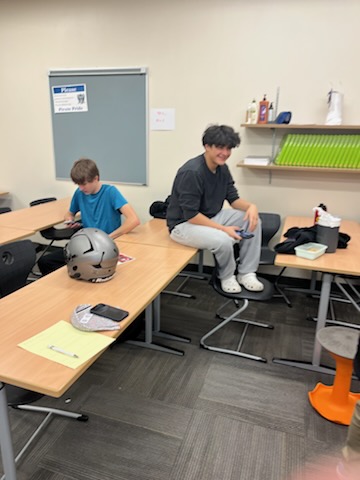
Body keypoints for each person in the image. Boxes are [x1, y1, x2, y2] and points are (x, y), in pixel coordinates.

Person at [166, 124, 263, 294]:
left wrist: (251, 206)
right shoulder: (192, 172)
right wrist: (223, 229)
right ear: (207, 146)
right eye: (219, 147)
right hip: (183, 225)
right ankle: (226, 276)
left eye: (229, 149)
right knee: (222, 239)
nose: (225, 153)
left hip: (210, 218)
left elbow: (233, 199)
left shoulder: (222, 169)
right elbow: (191, 215)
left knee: (253, 219)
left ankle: (246, 273)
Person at [38, 158, 140, 275]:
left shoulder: (110, 192)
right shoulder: (79, 193)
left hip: (106, 247)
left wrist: (108, 238)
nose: (81, 188)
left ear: (96, 178)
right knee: (45, 261)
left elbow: (134, 220)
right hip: (86, 245)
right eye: (78, 184)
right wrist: (69, 220)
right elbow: (69, 213)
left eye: (84, 184)